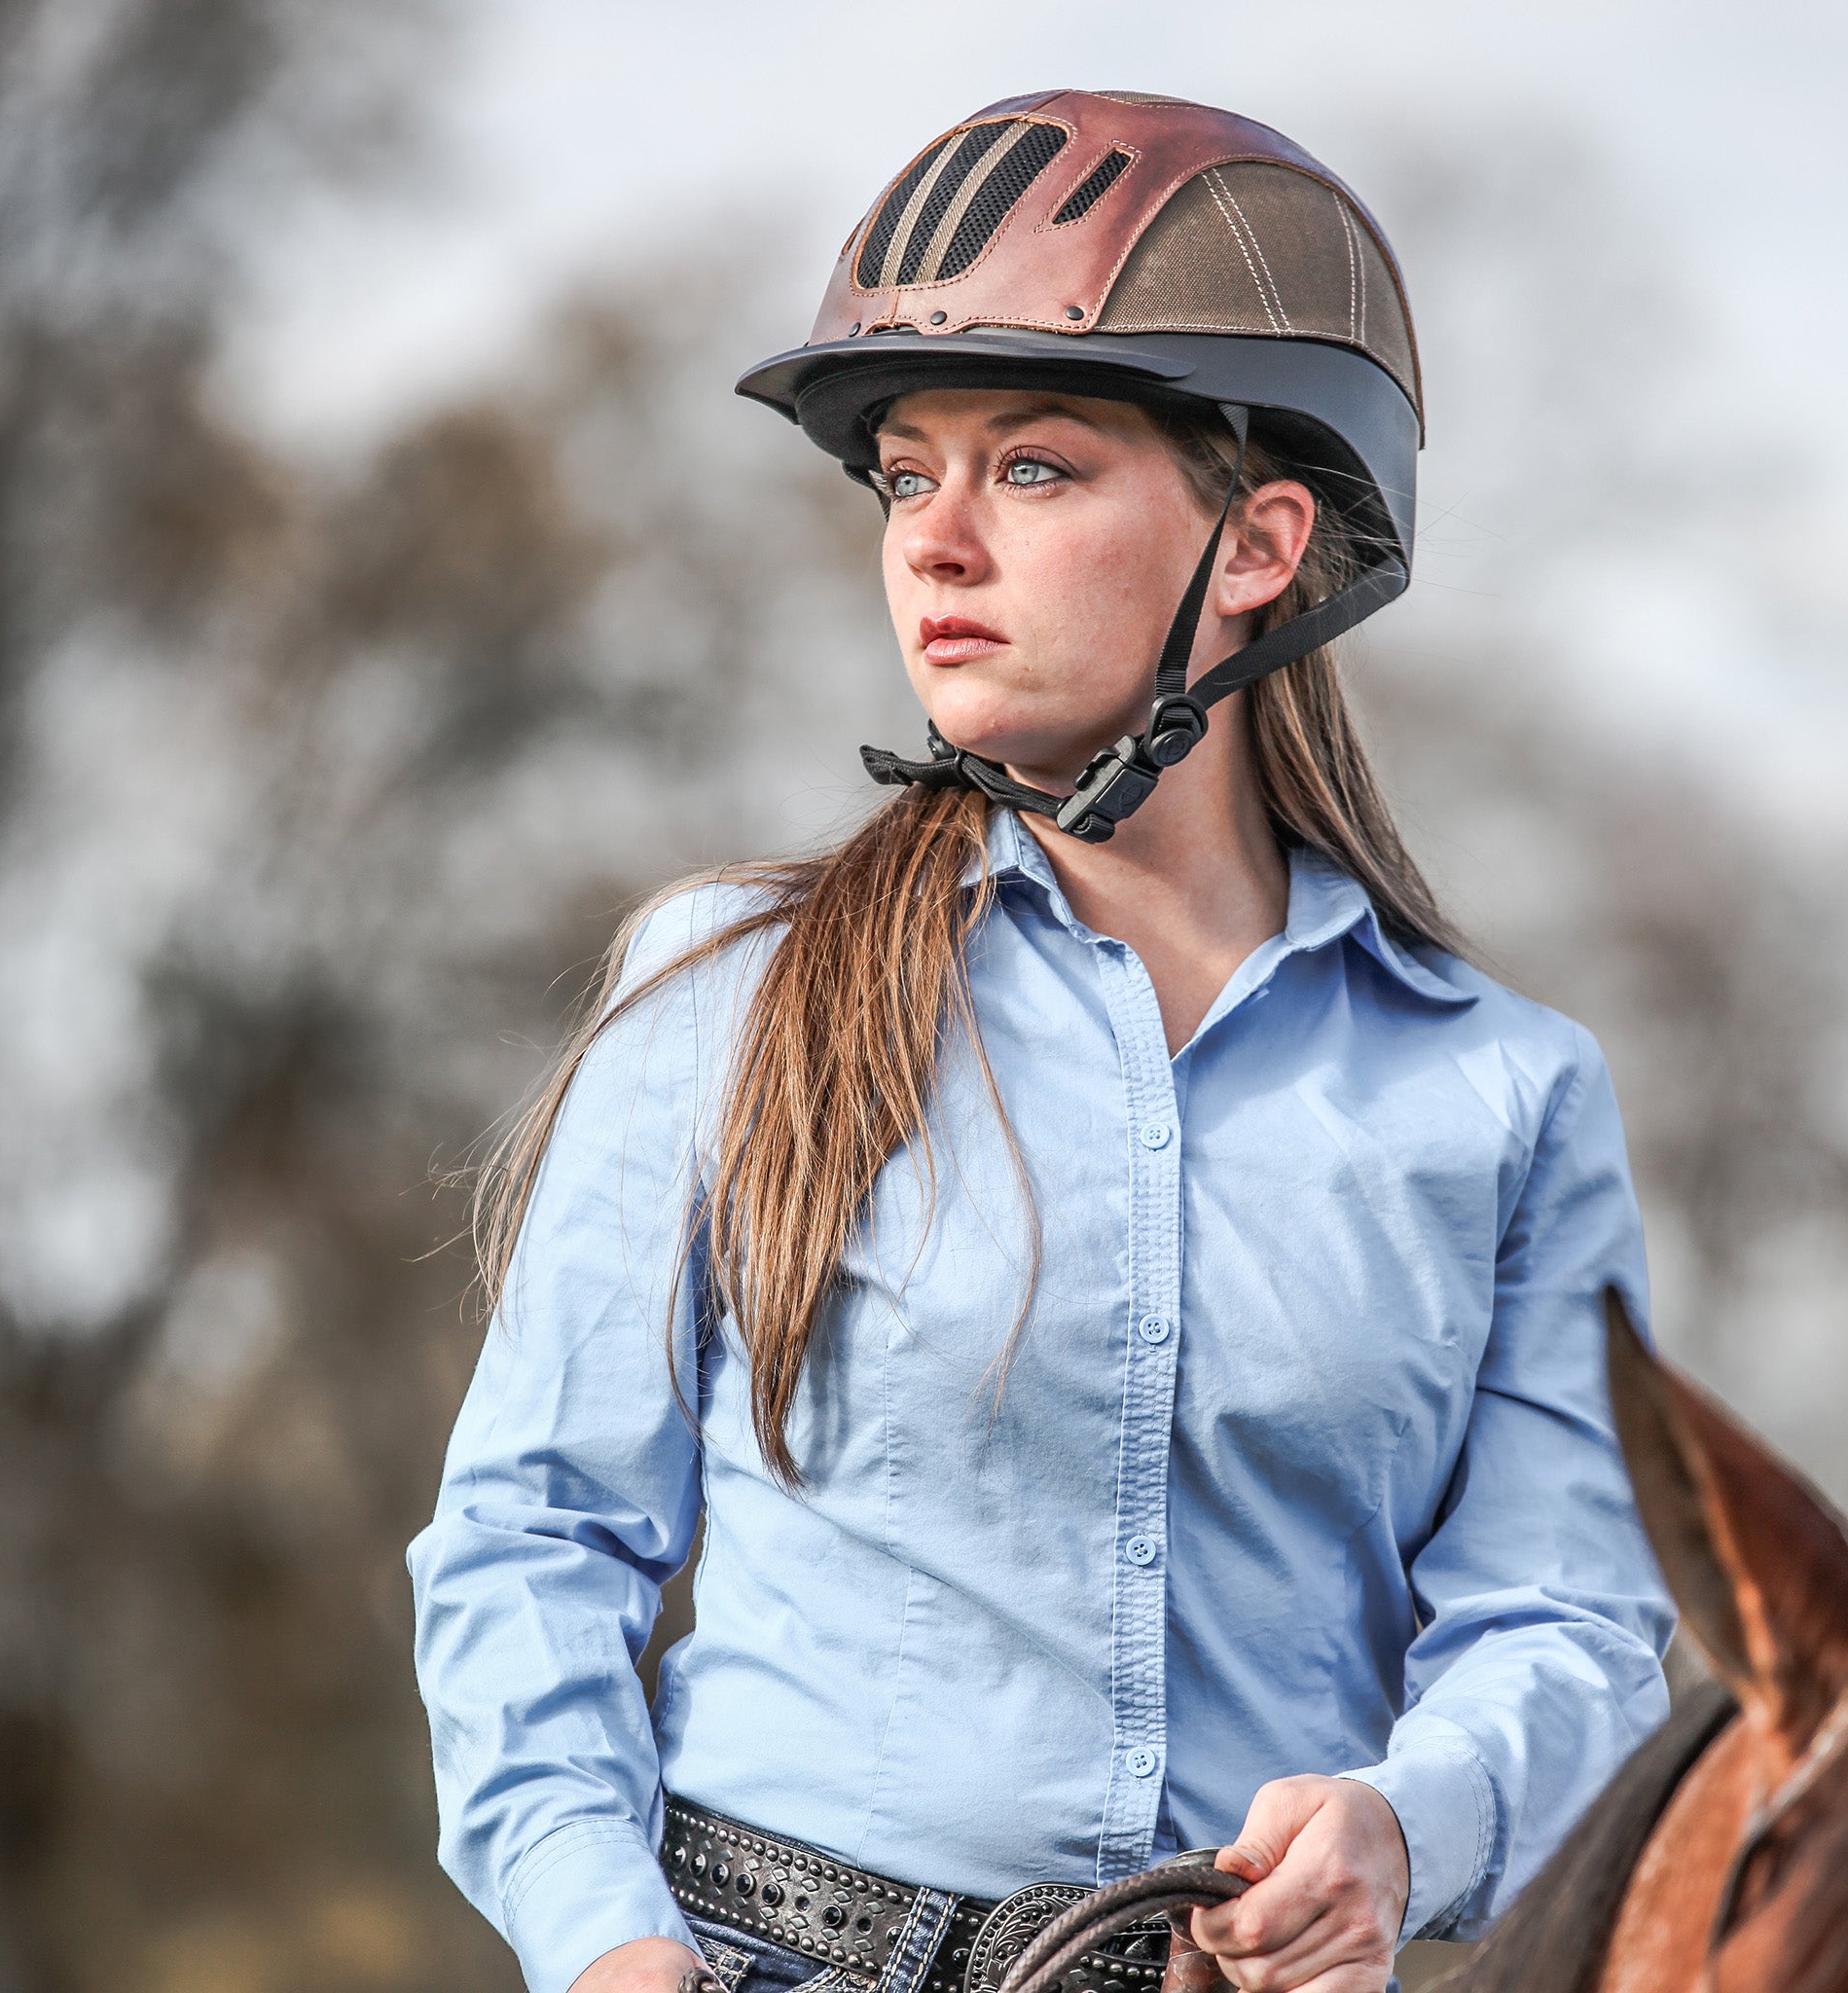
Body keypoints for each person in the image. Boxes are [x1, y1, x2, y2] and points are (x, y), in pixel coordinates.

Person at [409, 91, 1673, 1993]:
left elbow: (1571, 1619)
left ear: (1256, 543)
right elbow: (530, 1536)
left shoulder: (1503, 1095)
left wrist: (1410, 1820)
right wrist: (607, 1946)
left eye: (1034, 471)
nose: (934, 546)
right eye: (906, 477)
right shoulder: (726, 987)